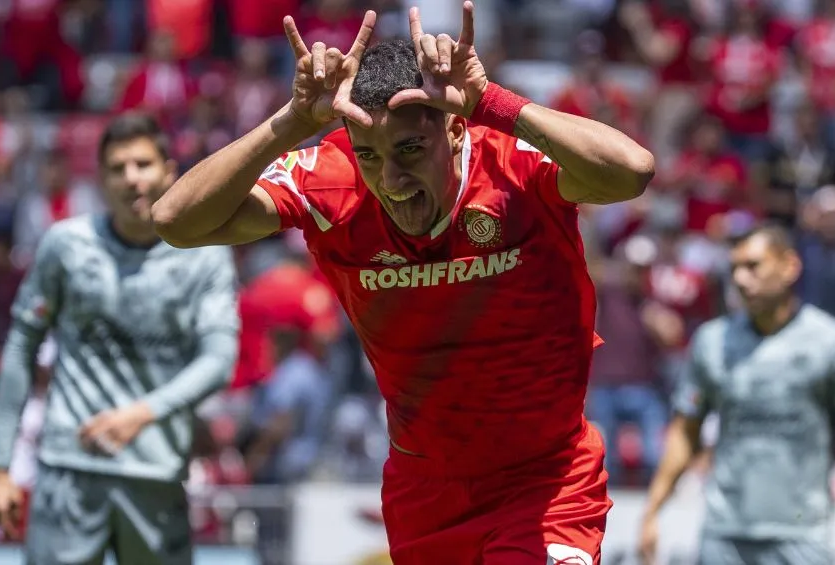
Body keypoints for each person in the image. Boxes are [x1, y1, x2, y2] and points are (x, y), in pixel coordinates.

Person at [152, 1, 653, 562]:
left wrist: (493, 101)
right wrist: (291, 123)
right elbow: (176, 221)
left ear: (457, 128)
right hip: (424, 494)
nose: (390, 179)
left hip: (547, 484)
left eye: (410, 150)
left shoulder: (511, 161)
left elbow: (632, 172)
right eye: (370, 154)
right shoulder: (330, 177)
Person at [0, 113, 240, 565]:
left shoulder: (205, 257)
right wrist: (0, 467)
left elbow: (219, 360)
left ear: (169, 172)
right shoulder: (65, 246)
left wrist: (143, 413)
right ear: (101, 179)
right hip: (69, 470)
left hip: (156, 474)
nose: (131, 179)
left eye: (142, 164)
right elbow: (22, 346)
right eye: (118, 168)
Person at [638, 224, 835, 565]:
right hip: (723, 536)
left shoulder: (834, 342)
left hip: (802, 538)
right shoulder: (712, 341)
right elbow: (685, 433)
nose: (741, 280)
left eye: (753, 266)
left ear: (790, 267)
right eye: (734, 269)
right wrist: (653, 510)